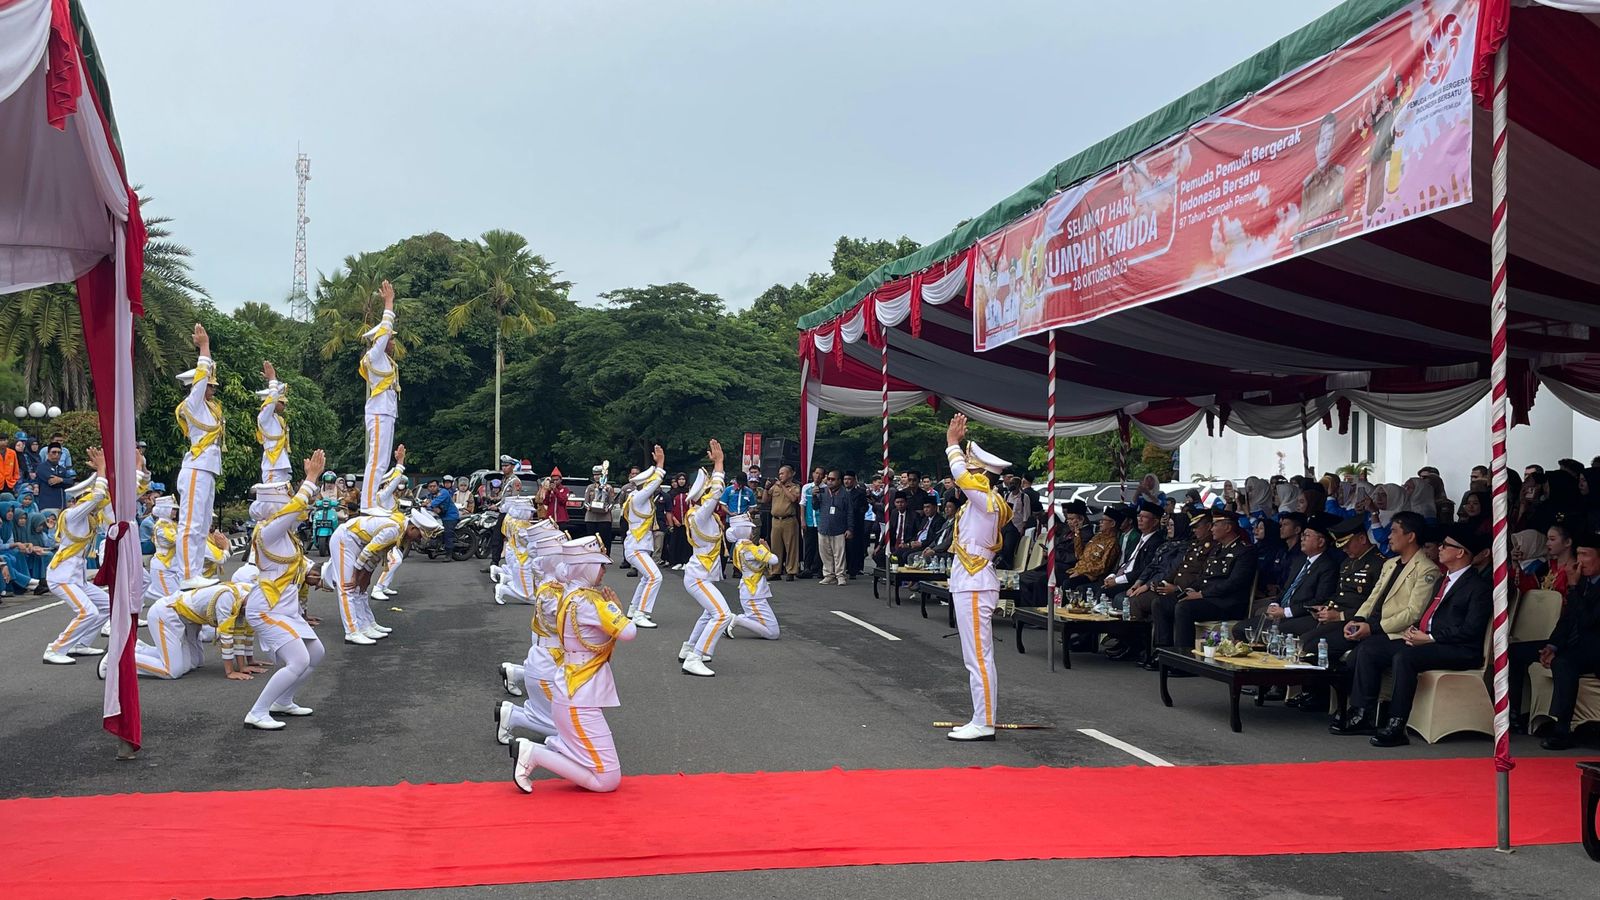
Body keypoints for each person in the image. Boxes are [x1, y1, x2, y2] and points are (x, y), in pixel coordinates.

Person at [1337, 523, 1490, 747]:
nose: (1439, 548)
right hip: (1428, 640)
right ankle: (1364, 713)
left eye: (1446, 545)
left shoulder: (1478, 587)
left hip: (1459, 648)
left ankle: (1396, 724)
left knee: (1405, 658)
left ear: (1460, 552)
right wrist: (1416, 631)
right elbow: (1429, 614)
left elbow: (1471, 630)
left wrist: (1429, 638)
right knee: (1372, 650)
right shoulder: (1443, 580)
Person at [510, 536, 637, 794]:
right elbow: (629, 631)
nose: (604, 570)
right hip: (578, 694)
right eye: (599, 565)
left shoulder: (570, 594)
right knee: (607, 780)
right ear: (586, 566)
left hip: (573, 689)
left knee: (601, 769)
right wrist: (616, 610)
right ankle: (534, 753)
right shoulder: (590, 602)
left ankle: (542, 750)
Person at [242, 451, 336, 729]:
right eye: (288, 502)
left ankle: (283, 701)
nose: (300, 508)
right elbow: (295, 509)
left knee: (316, 653)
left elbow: (302, 565)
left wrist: (322, 578)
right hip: (267, 607)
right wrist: (310, 479)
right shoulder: (267, 531)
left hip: (286, 608)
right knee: (298, 660)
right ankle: (257, 712)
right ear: (275, 508)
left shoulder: (286, 536)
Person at [941, 413, 1013, 742]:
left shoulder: (987, 502)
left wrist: (952, 446)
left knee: (979, 658)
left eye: (971, 470)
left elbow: (961, 477)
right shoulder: (983, 503)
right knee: (976, 656)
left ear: (981, 475)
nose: (964, 476)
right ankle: (980, 717)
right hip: (970, 580)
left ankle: (983, 721)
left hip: (975, 581)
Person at [329, 494, 440, 645]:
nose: (418, 540)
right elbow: (368, 552)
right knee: (348, 587)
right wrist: (356, 575)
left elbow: (377, 553)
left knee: (361, 589)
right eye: (419, 535)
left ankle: (367, 625)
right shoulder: (394, 530)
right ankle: (352, 632)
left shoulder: (401, 526)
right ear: (413, 528)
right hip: (345, 539)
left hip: (358, 542)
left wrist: (366, 575)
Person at [495, 522, 568, 744]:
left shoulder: (553, 583)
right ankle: (514, 716)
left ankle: (515, 680)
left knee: (566, 717)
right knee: (564, 731)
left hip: (548, 652)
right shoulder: (553, 592)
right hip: (549, 656)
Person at [1155, 510, 1257, 654]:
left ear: (1228, 527)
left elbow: (1234, 583)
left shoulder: (1244, 551)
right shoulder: (1216, 550)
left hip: (1226, 603)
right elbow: (1202, 577)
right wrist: (1188, 590)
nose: (1212, 529)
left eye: (1215, 525)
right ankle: (1162, 651)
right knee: (1161, 603)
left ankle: (1184, 656)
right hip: (1206, 598)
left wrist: (1202, 594)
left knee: (1184, 608)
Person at [41, 447, 109, 664]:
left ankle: (81, 644)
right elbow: (99, 495)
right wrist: (101, 470)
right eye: (87, 499)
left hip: (76, 577)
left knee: (108, 605)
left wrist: (106, 472)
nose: (94, 504)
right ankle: (55, 649)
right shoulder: (72, 514)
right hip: (61, 577)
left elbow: (103, 498)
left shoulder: (87, 518)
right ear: (78, 499)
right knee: (87, 612)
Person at [1535, 533, 1600, 750]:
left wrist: (1572, 589)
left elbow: (1589, 621)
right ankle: (1521, 716)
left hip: (1595, 648)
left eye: (1586, 554)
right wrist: (1552, 646)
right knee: (1518, 652)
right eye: (1578, 554)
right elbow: (1567, 620)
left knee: (1563, 663)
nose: (1579, 561)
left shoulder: (1578, 584)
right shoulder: (1583, 582)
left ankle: (1562, 729)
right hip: (1579, 646)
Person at [132, 570, 256, 680]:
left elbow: (240, 631)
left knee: (195, 663)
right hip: (165, 614)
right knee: (171, 671)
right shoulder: (227, 597)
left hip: (187, 622)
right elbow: (227, 637)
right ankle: (125, 658)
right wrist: (230, 672)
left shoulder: (249, 592)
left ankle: (140, 649)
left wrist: (243, 666)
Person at [174, 324, 224, 589]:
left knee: (202, 524)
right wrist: (204, 349)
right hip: (196, 468)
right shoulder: (193, 404)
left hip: (207, 469)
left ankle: (194, 571)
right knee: (190, 524)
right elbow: (201, 378)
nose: (212, 390)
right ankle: (186, 575)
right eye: (209, 386)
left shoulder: (210, 409)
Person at [678, 441, 730, 677]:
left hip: (700, 574)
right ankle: (695, 657)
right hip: (699, 577)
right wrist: (719, 464)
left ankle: (688, 647)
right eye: (707, 491)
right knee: (723, 615)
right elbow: (717, 492)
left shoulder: (696, 514)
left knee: (710, 613)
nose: (712, 494)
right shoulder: (700, 515)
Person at [358, 280, 400, 511]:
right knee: (375, 460)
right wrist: (388, 304)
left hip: (387, 412)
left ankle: (373, 501)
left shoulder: (385, 360)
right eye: (390, 339)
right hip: (378, 412)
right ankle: (368, 504)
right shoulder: (374, 356)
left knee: (382, 461)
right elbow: (383, 334)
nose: (392, 342)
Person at [621, 446, 666, 627]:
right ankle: (641, 613)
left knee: (647, 577)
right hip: (636, 546)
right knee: (656, 577)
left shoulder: (637, 496)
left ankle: (633, 609)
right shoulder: (639, 497)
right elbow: (654, 484)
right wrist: (660, 464)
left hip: (639, 545)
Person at [722, 513, 781, 640]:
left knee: (760, 621)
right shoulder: (751, 549)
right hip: (754, 593)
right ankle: (736, 619)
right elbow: (774, 560)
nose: (752, 531)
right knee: (773, 632)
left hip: (749, 590)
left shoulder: (738, 545)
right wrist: (765, 548)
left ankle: (734, 620)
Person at [1102, 501, 1163, 601]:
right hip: (1123, 575)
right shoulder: (1141, 538)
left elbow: (1143, 568)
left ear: (1155, 522)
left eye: (1145, 517)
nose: (1140, 519)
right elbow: (1127, 561)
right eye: (1139, 516)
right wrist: (1113, 575)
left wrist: (1117, 580)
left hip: (1134, 580)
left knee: (1107, 593)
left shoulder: (1156, 542)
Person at [814, 470, 853, 586]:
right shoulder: (823, 492)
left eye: (833, 479)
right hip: (824, 527)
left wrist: (850, 529)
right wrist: (815, 496)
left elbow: (850, 512)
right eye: (829, 479)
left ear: (839, 481)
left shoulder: (845, 494)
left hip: (839, 529)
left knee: (839, 554)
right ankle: (829, 575)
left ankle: (840, 575)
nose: (830, 481)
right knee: (825, 554)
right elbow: (815, 507)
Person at [256, 360, 291, 484]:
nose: (285, 404)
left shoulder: (277, 419)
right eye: (282, 402)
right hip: (272, 466)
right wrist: (272, 380)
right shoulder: (264, 417)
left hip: (280, 465)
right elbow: (272, 399)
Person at [767, 465, 802, 580]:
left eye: (783, 473)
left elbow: (793, 499)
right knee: (775, 546)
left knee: (791, 546)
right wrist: (767, 489)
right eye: (779, 473)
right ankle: (775, 571)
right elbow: (765, 500)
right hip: (776, 520)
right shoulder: (775, 487)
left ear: (790, 474)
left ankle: (791, 571)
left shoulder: (795, 487)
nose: (780, 475)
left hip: (789, 520)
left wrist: (782, 486)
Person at [841, 471, 869, 578]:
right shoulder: (841, 492)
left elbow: (865, 507)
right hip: (842, 523)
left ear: (854, 480)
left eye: (849, 479)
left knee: (855, 548)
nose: (847, 481)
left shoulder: (860, 493)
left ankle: (854, 569)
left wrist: (857, 512)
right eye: (845, 479)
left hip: (856, 524)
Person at [583, 465, 616, 552]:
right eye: (595, 475)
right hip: (591, 518)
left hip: (604, 518)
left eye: (599, 475)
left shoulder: (608, 488)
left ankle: (605, 557)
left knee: (605, 540)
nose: (597, 477)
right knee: (591, 540)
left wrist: (607, 509)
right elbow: (585, 502)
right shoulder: (590, 487)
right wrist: (589, 507)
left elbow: (612, 502)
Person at [800, 466, 824, 578]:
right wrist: (802, 520)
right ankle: (807, 568)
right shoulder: (806, 487)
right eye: (816, 473)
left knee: (821, 547)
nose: (818, 476)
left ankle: (819, 569)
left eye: (820, 474)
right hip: (809, 521)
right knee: (809, 545)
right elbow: (803, 504)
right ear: (813, 474)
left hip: (821, 522)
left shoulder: (825, 488)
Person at [427, 477, 460, 556]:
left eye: (434, 486)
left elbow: (434, 503)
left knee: (447, 533)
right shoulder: (430, 495)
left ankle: (449, 554)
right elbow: (426, 502)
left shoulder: (443, 492)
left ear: (438, 486)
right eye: (430, 486)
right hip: (439, 517)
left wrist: (429, 504)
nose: (432, 488)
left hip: (450, 516)